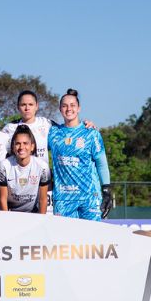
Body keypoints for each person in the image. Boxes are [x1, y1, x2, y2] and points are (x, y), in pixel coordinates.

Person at [48, 88, 112, 221]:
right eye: (64, 106)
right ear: (60, 109)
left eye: (72, 105)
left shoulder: (91, 132)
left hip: (89, 197)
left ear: (79, 108)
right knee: (65, 240)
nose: (68, 109)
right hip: (63, 199)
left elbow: (101, 163)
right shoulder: (53, 132)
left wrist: (106, 190)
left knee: (92, 240)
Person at [2, 90, 97, 162]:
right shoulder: (9, 128)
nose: (27, 108)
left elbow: (68, 129)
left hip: (44, 182)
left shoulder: (47, 124)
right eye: (23, 105)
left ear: (37, 106)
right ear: (18, 107)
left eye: (30, 104)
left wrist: (85, 124)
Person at [0, 125, 51, 213]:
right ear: (13, 147)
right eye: (18, 143)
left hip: (33, 213)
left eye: (25, 143)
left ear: (32, 147)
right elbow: (2, 199)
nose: (21, 147)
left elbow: (43, 200)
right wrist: (6, 221)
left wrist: (41, 222)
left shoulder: (42, 167)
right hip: (12, 212)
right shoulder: (4, 165)